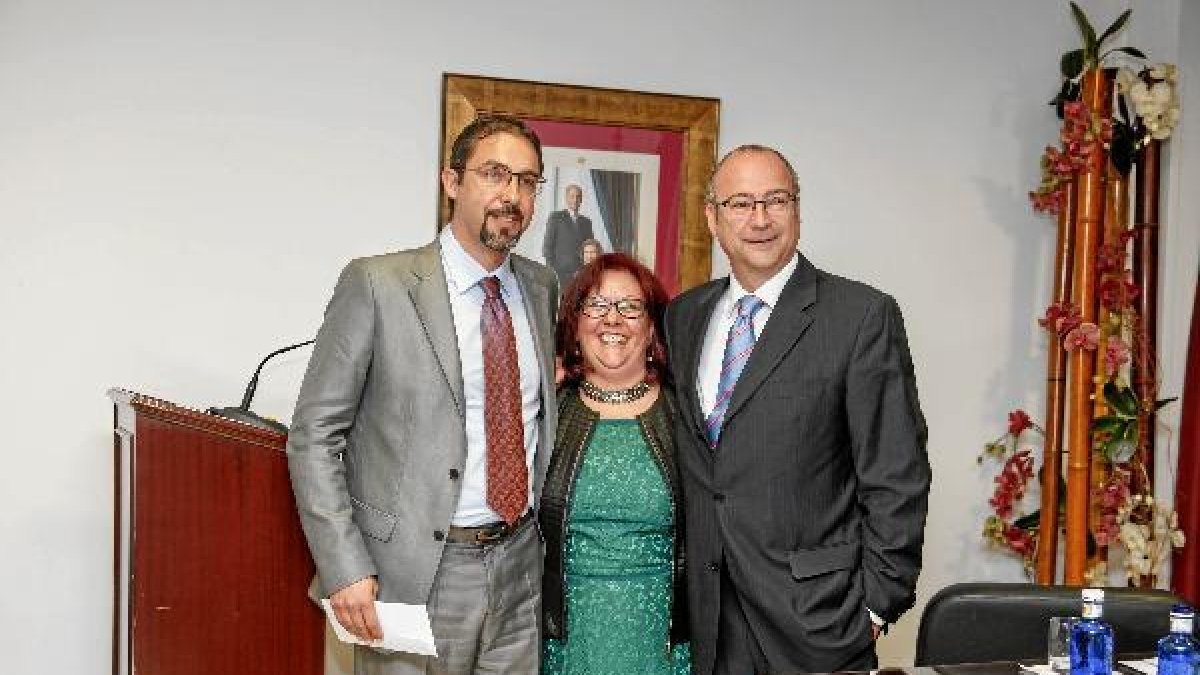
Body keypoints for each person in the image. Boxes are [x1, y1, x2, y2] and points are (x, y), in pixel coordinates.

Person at [286, 114, 559, 675]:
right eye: (495, 174)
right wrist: (344, 566)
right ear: (452, 181)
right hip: (416, 572)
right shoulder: (377, 284)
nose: (511, 196)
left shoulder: (540, 286)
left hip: (519, 567)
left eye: (528, 181)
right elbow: (314, 436)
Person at [663, 144, 930, 675]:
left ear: (798, 210)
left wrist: (875, 605)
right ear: (712, 218)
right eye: (740, 203)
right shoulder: (683, 317)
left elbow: (896, 473)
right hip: (709, 622)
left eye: (775, 200)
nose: (759, 219)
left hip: (818, 624)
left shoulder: (861, 316)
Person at [540, 252, 690, 675]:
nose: (612, 320)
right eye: (597, 306)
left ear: (651, 327)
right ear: (575, 324)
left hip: (663, 638)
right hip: (566, 637)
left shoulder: (687, 416)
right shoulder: (545, 411)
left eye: (630, 307)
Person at [542, 183, 595, 283]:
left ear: (581, 200)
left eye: (578, 197)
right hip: (559, 275)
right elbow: (547, 248)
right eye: (572, 196)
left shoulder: (586, 222)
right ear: (566, 198)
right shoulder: (556, 217)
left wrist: (584, 271)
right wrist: (552, 273)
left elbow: (591, 250)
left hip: (581, 275)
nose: (575, 200)